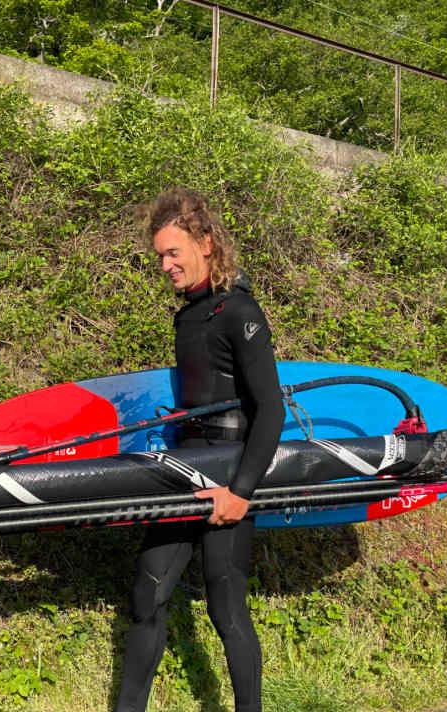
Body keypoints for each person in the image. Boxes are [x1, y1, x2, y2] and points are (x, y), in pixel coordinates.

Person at [114, 188, 284, 712]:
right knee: (148, 595)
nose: (165, 265)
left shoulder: (240, 310)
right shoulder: (187, 315)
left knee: (225, 606)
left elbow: (269, 409)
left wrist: (241, 492)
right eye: (159, 256)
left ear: (206, 243)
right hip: (185, 464)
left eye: (173, 253)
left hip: (230, 467)